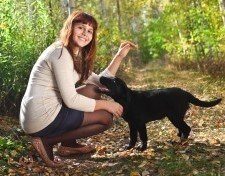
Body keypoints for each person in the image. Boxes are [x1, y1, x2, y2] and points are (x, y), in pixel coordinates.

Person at [19, 10, 136, 167]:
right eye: (80, 27)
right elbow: (71, 100)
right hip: (41, 117)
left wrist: (119, 56)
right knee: (105, 118)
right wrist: (107, 104)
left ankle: (68, 144)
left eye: (89, 31)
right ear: (70, 27)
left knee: (93, 90)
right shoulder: (60, 53)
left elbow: (100, 82)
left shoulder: (72, 54)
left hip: (44, 112)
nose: (85, 34)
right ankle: (46, 141)